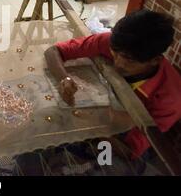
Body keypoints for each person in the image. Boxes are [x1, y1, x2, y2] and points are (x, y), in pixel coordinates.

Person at [45, 9, 181, 160]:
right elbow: (53, 51)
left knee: (108, 164)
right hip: (99, 117)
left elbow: (129, 152)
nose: (118, 64)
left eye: (129, 61)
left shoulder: (170, 97)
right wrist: (64, 79)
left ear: (155, 60)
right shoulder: (115, 43)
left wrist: (91, 127)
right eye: (114, 54)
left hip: (118, 138)